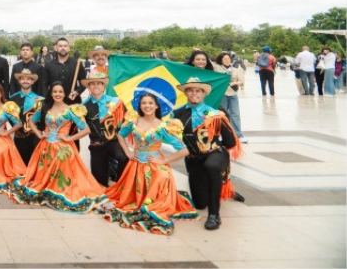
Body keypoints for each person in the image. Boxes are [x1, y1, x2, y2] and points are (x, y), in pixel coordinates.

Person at [102, 90, 196, 235]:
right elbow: (120, 135)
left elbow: (184, 150)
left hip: (155, 163)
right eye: (144, 103)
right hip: (136, 164)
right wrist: (128, 152)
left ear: (156, 106)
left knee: (162, 176)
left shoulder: (163, 127)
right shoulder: (134, 122)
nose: (147, 106)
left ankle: (153, 202)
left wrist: (165, 159)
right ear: (140, 106)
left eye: (150, 103)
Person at [10, 82, 106, 212]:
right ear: (51, 93)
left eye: (60, 92)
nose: (57, 94)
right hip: (45, 146)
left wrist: (70, 138)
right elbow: (31, 121)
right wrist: (39, 133)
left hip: (63, 148)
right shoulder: (45, 107)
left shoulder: (71, 110)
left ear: (64, 93)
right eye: (55, 92)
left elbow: (86, 129)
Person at [171, 77, 243, 231]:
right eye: (190, 90)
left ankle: (214, 215)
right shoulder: (177, 114)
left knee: (211, 166)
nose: (194, 93)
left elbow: (230, 142)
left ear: (204, 94)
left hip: (215, 155)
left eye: (198, 90)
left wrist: (213, 147)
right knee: (199, 203)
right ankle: (223, 189)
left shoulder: (216, 113)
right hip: (193, 159)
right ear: (185, 93)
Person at [81, 72, 128, 186]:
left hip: (113, 141)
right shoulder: (83, 106)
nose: (96, 86)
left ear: (104, 86)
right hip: (96, 144)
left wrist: (123, 134)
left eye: (99, 83)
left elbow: (127, 120)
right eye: (92, 84)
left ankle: (119, 186)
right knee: (99, 182)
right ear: (88, 87)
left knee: (124, 158)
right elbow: (78, 126)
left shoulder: (116, 102)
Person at [9, 68, 44, 164]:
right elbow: (10, 118)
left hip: (34, 138)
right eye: (23, 78)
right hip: (19, 137)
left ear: (32, 81)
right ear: (19, 80)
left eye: (28, 79)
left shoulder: (39, 99)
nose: (25, 81)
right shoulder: (12, 99)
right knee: (19, 165)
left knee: (33, 165)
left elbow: (43, 120)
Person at [214, 52, 247, 143]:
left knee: (235, 114)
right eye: (224, 59)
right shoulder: (217, 68)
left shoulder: (236, 68)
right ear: (221, 60)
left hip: (233, 94)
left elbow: (241, 80)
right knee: (222, 114)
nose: (227, 60)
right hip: (222, 94)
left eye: (228, 58)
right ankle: (220, 134)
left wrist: (235, 83)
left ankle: (238, 134)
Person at [42, 38, 86, 105]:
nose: (63, 48)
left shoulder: (77, 64)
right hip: (53, 103)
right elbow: (44, 85)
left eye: (65, 46)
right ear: (56, 48)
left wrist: (77, 92)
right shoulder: (49, 65)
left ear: (69, 48)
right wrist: (47, 97)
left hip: (72, 102)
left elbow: (84, 83)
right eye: (60, 46)